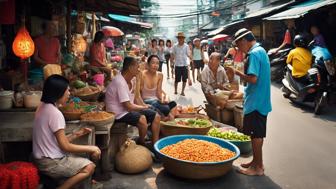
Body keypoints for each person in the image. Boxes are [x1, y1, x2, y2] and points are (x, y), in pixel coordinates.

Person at [33, 75, 101, 189]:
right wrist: (92, 148)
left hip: (41, 158)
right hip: (50, 162)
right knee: (89, 167)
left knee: (81, 157)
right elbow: (65, 146)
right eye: (67, 90)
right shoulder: (55, 113)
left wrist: (76, 134)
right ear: (58, 93)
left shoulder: (42, 106)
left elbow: (54, 141)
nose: (69, 93)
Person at [230, 28, 272, 176]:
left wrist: (237, 73)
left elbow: (253, 78)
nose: (238, 49)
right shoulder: (261, 50)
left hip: (256, 101)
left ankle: (257, 167)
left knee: (256, 135)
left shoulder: (254, 54)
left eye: (238, 45)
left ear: (243, 41)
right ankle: (256, 162)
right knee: (257, 134)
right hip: (261, 99)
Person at [105, 56, 161, 145]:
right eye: (137, 67)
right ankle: (142, 142)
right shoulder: (120, 81)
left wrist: (138, 80)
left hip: (127, 110)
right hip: (118, 114)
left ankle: (156, 144)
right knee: (142, 119)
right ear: (130, 68)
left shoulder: (132, 79)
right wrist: (144, 107)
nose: (139, 70)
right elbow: (128, 106)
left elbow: (136, 97)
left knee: (156, 116)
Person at [141, 55, 177, 121]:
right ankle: (165, 117)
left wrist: (163, 100)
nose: (155, 65)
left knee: (173, 104)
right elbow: (138, 94)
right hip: (146, 102)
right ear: (148, 64)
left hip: (156, 101)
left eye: (157, 63)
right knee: (164, 108)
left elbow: (159, 91)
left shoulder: (160, 75)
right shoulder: (142, 75)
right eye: (153, 63)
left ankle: (166, 118)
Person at [171, 32, 192, 96]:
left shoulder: (186, 46)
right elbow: (173, 54)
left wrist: (191, 59)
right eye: (179, 38)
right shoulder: (175, 46)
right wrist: (172, 63)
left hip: (184, 65)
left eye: (181, 38)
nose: (180, 39)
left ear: (183, 39)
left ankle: (182, 91)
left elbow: (188, 54)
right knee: (176, 79)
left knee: (184, 80)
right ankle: (175, 90)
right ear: (177, 39)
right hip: (177, 65)